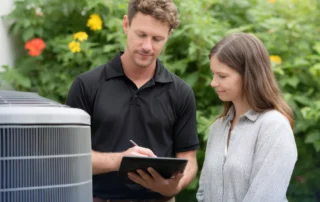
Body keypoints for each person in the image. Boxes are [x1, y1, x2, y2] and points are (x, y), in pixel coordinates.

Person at [66, 0, 199, 201]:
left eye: (157, 38)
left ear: (169, 35)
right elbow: (68, 158)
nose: (147, 46)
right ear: (126, 24)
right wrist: (119, 160)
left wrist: (174, 186)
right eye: (141, 35)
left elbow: (188, 158)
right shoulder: (87, 85)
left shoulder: (181, 92)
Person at [196, 33, 298, 202]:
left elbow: (265, 197)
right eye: (213, 74)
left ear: (249, 76)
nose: (213, 83)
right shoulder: (217, 128)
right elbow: (203, 192)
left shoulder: (274, 126)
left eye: (222, 76)